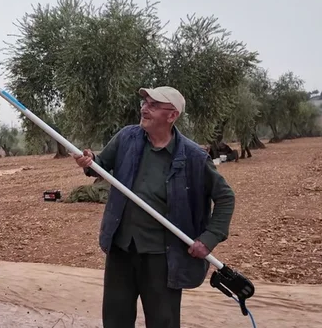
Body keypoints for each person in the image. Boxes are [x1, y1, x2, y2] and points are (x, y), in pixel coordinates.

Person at [73, 86, 236, 328]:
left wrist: (209, 238)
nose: (144, 109)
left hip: (164, 258)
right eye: (144, 103)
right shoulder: (127, 138)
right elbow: (100, 164)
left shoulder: (194, 157)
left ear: (172, 115)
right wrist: (89, 161)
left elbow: (225, 197)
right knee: (115, 320)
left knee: (163, 322)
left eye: (153, 105)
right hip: (121, 249)